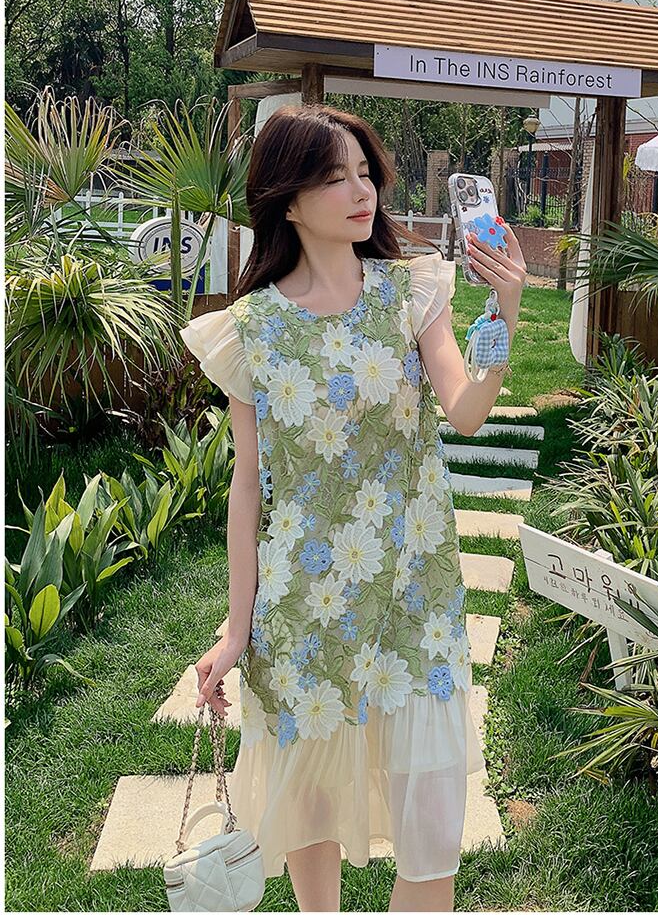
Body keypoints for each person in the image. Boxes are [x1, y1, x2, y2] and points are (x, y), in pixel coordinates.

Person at [179, 103, 526, 913]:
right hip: (304, 612)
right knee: (311, 818)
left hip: (415, 600)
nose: (361, 191)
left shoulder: (412, 293)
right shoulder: (250, 330)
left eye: (365, 172)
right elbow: (248, 486)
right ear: (287, 199)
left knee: (433, 832)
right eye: (335, 177)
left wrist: (505, 314)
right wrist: (237, 629)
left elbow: (466, 411)